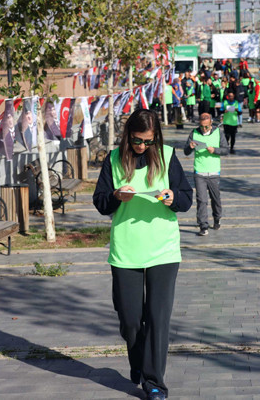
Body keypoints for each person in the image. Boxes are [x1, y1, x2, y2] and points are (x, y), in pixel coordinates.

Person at [92, 109, 193, 400]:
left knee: (158, 318)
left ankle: (154, 383)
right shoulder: (113, 159)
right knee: (131, 320)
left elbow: (186, 197)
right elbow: (100, 201)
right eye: (137, 140)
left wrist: (173, 197)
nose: (142, 147)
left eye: (149, 142)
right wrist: (115, 196)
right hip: (126, 250)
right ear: (128, 135)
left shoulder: (167, 155)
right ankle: (138, 362)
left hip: (163, 249)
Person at [184, 112, 228, 236]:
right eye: (202, 126)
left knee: (215, 198)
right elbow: (186, 151)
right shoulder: (194, 133)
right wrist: (190, 146)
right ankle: (203, 226)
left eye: (206, 127)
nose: (204, 129)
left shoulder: (218, 132)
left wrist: (215, 150)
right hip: (199, 172)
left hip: (214, 172)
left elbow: (226, 150)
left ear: (211, 124)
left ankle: (217, 218)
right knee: (201, 200)